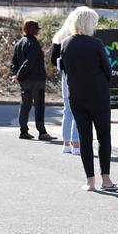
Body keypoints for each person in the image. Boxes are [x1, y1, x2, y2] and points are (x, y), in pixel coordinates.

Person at [60, 7, 117, 192]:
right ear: (89, 23)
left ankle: (90, 182)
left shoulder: (65, 43)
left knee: (85, 138)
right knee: (103, 137)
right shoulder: (96, 44)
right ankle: (106, 180)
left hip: (76, 95)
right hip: (98, 95)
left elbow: (66, 69)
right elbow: (107, 70)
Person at [10, 20, 55, 141]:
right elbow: (29, 62)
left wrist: (16, 75)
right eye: (37, 29)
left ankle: (23, 131)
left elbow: (13, 63)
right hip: (36, 80)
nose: (39, 31)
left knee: (25, 105)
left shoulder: (19, 43)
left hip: (24, 81)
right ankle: (42, 132)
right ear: (33, 30)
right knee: (39, 105)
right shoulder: (33, 43)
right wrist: (18, 76)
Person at [51, 12, 80, 154]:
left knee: (67, 109)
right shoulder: (76, 36)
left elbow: (53, 60)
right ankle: (76, 144)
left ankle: (66, 143)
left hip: (64, 74)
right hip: (75, 74)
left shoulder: (59, 36)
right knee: (77, 110)